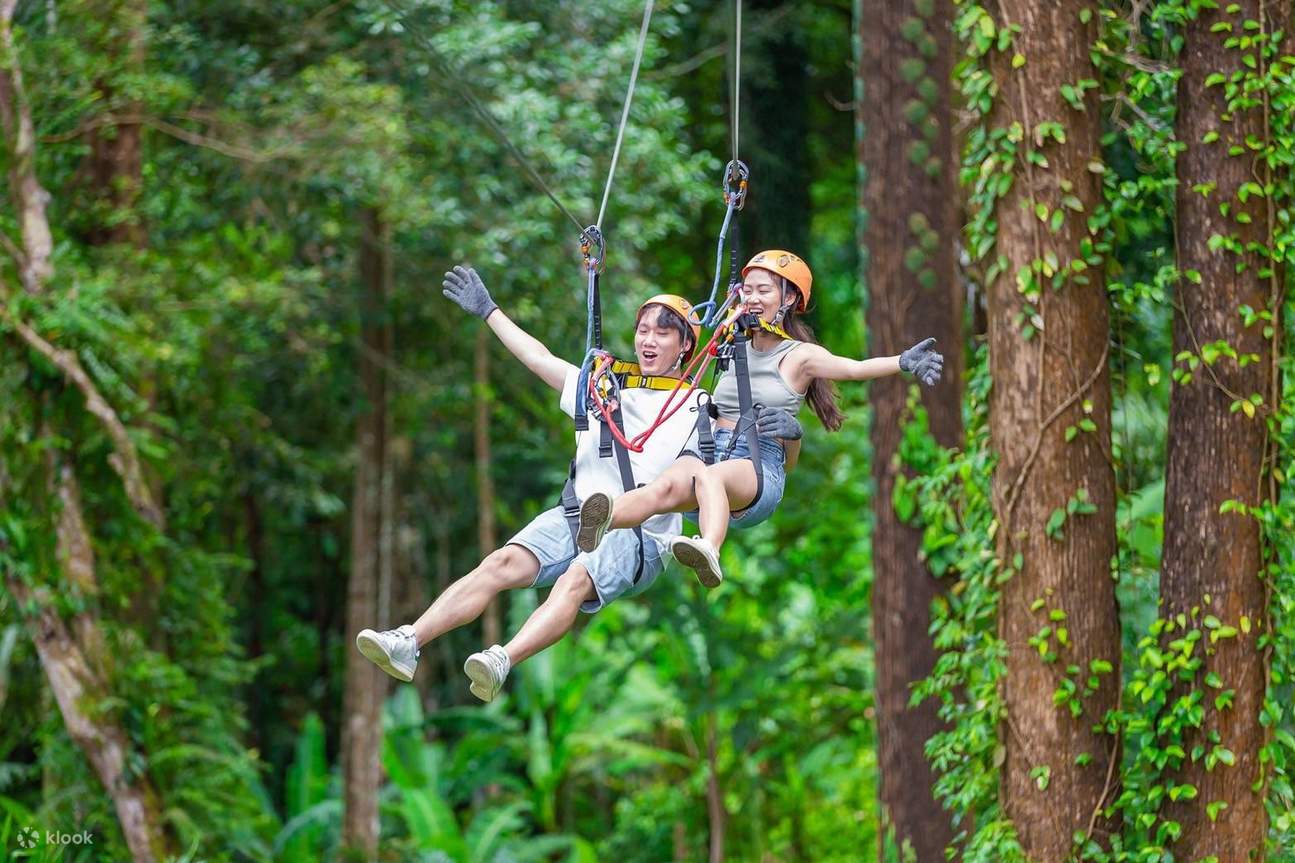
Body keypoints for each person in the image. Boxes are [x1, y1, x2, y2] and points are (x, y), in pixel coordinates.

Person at [353, 264, 801, 702]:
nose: (648, 339)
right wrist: (490, 311)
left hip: (639, 535)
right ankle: (408, 641)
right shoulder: (600, 388)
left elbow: (754, 456)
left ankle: (502, 658)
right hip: (577, 514)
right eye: (643, 329)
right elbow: (538, 358)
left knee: (575, 576)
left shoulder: (699, 404)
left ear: (686, 345)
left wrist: (786, 432)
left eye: (662, 333)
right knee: (501, 563)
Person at [577, 249, 944, 588]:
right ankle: (601, 518)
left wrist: (901, 362)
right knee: (661, 488)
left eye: (763, 290)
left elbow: (852, 367)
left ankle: (709, 548)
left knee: (709, 477)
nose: (751, 298)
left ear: (788, 299)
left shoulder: (798, 356)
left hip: (756, 463)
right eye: (747, 290)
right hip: (709, 449)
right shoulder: (730, 346)